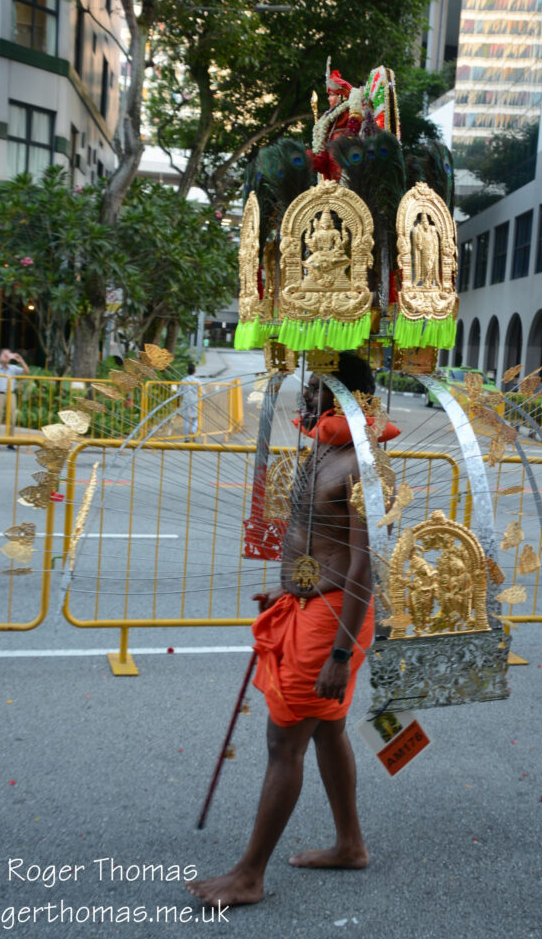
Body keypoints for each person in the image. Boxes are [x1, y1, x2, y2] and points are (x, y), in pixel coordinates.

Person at [187, 353, 387, 908]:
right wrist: (289, 586)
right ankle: (350, 844)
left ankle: (250, 874)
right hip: (310, 602)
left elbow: (361, 567)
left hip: (335, 617)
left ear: (346, 398)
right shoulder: (321, 446)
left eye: (318, 390)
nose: (306, 400)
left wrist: (341, 655)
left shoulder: (361, 464)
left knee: (284, 742)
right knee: (326, 730)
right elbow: (313, 538)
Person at [0, 349, 29, 449]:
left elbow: (26, 371)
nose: (7, 357)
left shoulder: (13, 368)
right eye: (4, 355)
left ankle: (10, 442)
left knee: (13, 418)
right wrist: (0, 360)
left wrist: (20, 360)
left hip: (11, 395)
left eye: (8, 355)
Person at [178, 362, 201, 442]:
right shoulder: (197, 381)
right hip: (195, 401)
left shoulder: (183, 380)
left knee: (186, 420)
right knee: (195, 418)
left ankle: (186, 438)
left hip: (185, 401)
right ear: (194, 371)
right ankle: (194, 432)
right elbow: (202, 392)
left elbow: (179, 393)